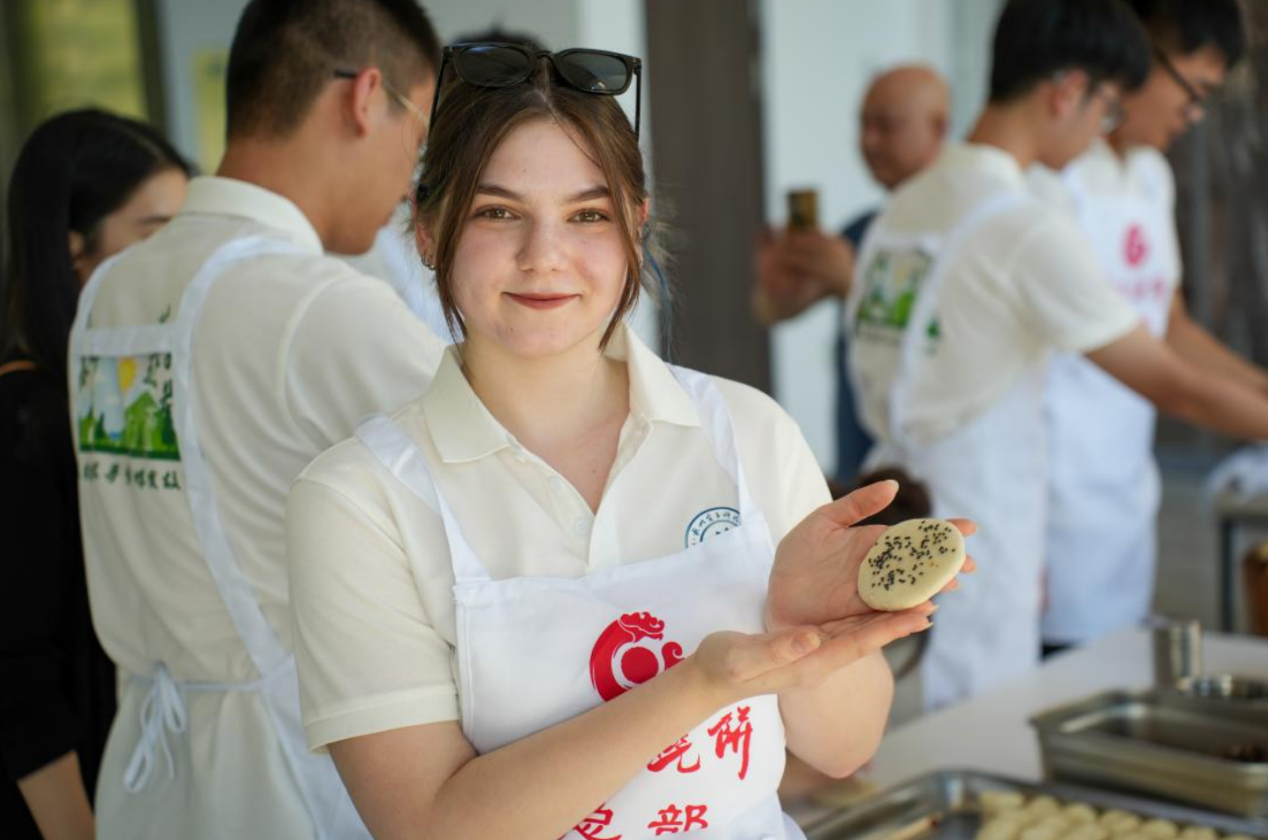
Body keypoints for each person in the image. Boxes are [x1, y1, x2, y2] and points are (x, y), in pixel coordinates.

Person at [287, 42, 971, 840]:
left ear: (636, 229)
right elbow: (429, 825)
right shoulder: (358, 501)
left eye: (589, 215)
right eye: (497, 212)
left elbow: (846, 748)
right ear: (429, 230)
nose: (545, 257)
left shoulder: (747, 430)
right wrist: (698, 685)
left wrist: (797, 626)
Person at [67, 1, 447, 838]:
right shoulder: (321, 307)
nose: (409, 181)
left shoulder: (111, 290)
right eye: (419, 136)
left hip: (146, 779)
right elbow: (505, 486)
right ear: (365, 98)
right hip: (295, 778)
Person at [846, 0, 1268, 711]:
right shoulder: (1021, 224)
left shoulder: (909, 203)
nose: (1105, 128)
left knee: (908, 721)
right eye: (1106, 107)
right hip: (979, 521)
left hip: (900, 508)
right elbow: (1173, 384)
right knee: (979, 731)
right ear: (1069, 90)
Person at [1035, 0, 1268, 653]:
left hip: (1124, 497)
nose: (1194, 116)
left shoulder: (1148, 174)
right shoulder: (1054, 180)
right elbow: (1171, 383)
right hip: (1054, 505)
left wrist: (1261, 390)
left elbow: (1169, 325)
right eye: (1193, 92)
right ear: (1139, 53)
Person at [0, 109, 189, 840]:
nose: (180, 262)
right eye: (154, 235)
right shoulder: (24, 418)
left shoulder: (115, 396)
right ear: (71, 250)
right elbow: (16, 673)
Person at [755, 66, 949, 481]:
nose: (868, 141)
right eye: (863, 125)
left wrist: (852, 284)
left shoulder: (964, 231)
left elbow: (949, 338)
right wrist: (777, 288)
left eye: (886, 125)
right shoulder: (866, 229)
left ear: (939, 128)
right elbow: (771, 310)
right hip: (860, 460)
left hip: (936, 471)